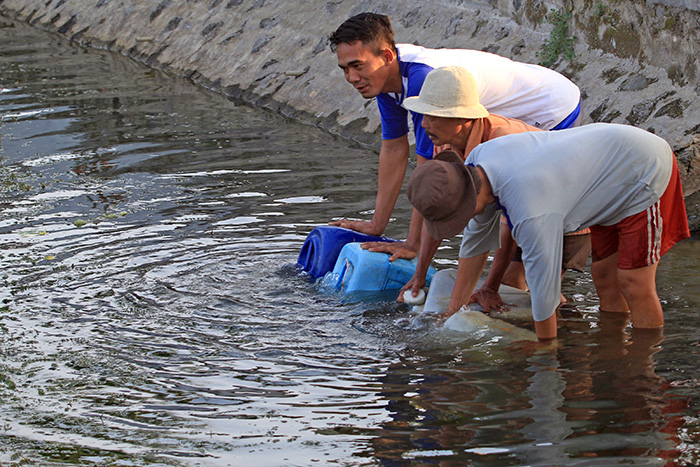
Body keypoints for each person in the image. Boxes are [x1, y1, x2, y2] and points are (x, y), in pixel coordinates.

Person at [327, 12, 581, 260]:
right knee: (502, 208)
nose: (352, 78)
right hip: (508, 113)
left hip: (550, 108)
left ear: (387, 56)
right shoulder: (382, 75)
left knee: (526, 212)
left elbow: (430, 169)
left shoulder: (422, 79)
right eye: (344, 69)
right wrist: (376, 225)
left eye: (357, 66)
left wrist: (411, 244)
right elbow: (394, 149)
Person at [404, 124, 690, 341]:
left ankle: (643, 366)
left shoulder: (531, 207)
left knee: (634, 282)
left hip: (642, 170)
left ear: (469, 202)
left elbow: (545, 290)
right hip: (603, 178)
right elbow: (474, 246)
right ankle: (614, 348)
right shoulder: (476, 167)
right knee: (604, 277)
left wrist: (545, 351)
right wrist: (453, 311)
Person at [395, 65, 590, 312]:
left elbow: (511, 222)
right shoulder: (444, 147)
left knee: (530, 290)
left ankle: (564, 336)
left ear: (461, 119)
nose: (423, 125)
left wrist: (491, 286)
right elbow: (437, 212)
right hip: (527, 213)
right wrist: (420, 275)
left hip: (567, 212)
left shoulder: (502, 143)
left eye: (432, 116)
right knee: (512, 293)